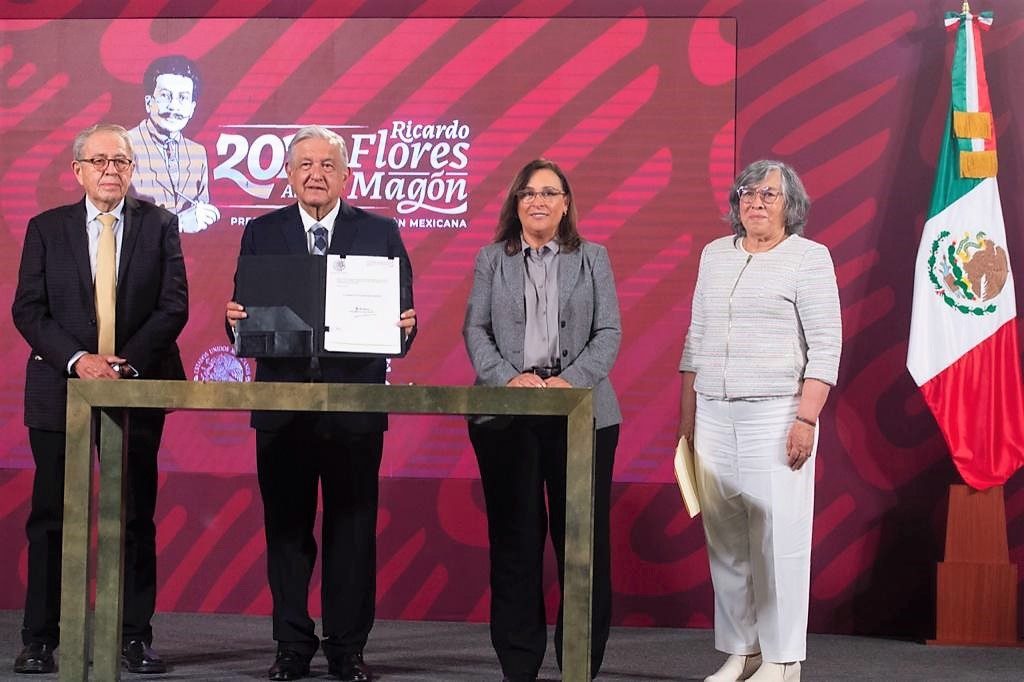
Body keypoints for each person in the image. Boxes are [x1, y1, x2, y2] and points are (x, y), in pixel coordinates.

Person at [225, 125, 416, 682]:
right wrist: (235, 324)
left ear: (346, 174)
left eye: (328, 165)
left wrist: (404, 328)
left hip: (353, 410)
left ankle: (347, 648)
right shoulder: (262, 233)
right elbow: (245, 316)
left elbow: (401, 319)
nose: (316, 174)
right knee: (286, 532)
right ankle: (291, 644)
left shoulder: (381, 233)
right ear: (288, 174)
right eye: (305, 164)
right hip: (283, 410)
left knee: (352, 532)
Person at [11, 123, 188, 675]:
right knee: (51, 517)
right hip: (59, 389)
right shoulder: (46, 228)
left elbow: (173, 306)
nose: (112, 169)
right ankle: (40, 639)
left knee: (134, 515)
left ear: (133, 170)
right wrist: (79, 362)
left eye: (122, 161)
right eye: (100, 160)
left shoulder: (161, 225)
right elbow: (28, 310)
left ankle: (133, 636)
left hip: (137, 383)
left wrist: (123, 363)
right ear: (79, 171)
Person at [678, 160, 841, 682]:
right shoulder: (714, 256)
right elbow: (695, 341)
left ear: (790, 205)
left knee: (778, 540)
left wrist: (806, 419)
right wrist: (686, 424)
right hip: (713, 414)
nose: (756, 202)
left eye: (769, 195)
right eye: (748, 193)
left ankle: (782, 659)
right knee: (725, 540)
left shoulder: (809, 259)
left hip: (777, 413)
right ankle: (742, 651)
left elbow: (826, 347)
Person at [463, 159, 622, 682]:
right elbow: (476, 330)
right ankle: (519, 665)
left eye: (549, 193)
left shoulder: (593, 258)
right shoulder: (492, 259)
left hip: (582, 414)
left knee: (582, 545)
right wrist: (510, 380)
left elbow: (609, 334)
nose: (538, 201)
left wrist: (568, 382)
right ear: (515, 202)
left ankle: (579, 663)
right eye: (528, 193)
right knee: (515, 541)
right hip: (510, 413)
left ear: (566, 203)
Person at [128, 54, 220, 234]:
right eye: (165, 96)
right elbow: (113, 219)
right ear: (149, 103)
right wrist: (178, 224)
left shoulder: (197, 152)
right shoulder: (123, 147)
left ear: (192, 108)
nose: (174, 107)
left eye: (183, 98)